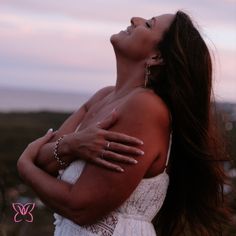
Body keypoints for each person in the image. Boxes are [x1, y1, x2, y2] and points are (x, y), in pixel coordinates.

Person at [17, 11, 231, 236]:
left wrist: (24, 166)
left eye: (148, 25)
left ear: (156, 58)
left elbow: (81, 207)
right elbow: (43, 162)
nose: (134, 19)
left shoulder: (145, 107)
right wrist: (72, 145)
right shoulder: (103, 97)